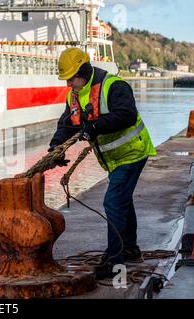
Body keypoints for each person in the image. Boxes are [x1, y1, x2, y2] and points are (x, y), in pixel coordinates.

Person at [48, 47, 157, 279]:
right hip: (115, 158)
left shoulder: (114, 86)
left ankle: (115, 259)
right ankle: (129, 248)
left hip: (133, 153)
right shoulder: (74, 96)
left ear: (83, 71)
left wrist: (95, 127)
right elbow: (67, 124)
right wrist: (55, 147)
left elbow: (126, 114)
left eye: (71, 78)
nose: (69, 84)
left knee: (113, 202)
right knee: (122, 201)